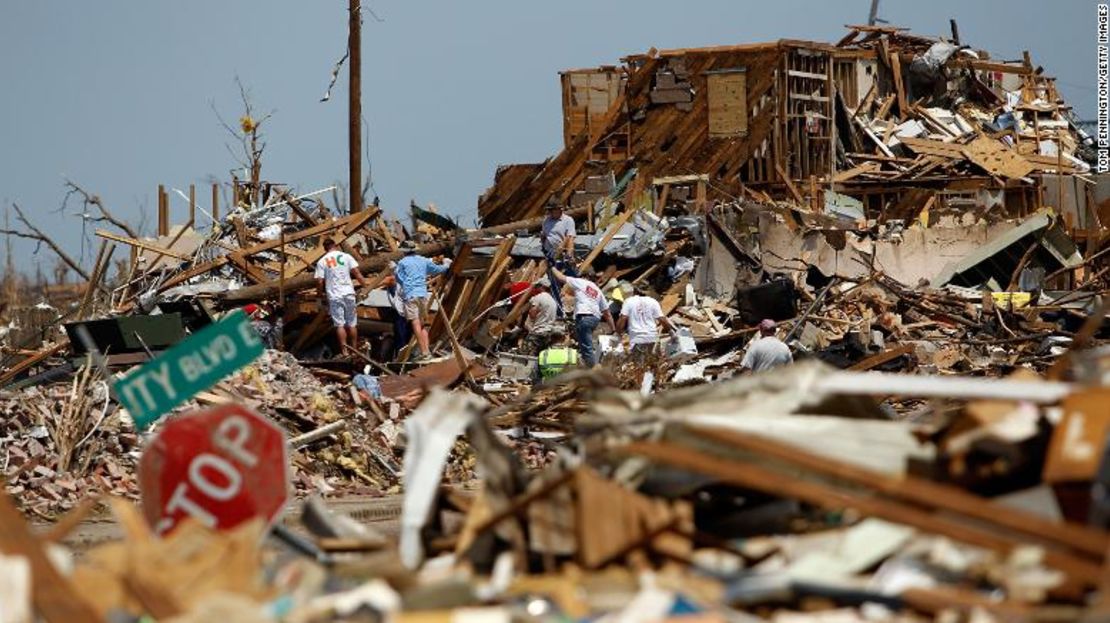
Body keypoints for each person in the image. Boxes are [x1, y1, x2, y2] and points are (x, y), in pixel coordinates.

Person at [393, 240, 451, 360]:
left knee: (415, 323)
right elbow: (438, 270)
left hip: (411, 295)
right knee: (423, 324)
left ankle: (424, 352)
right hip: (422, 294)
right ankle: (427, 351)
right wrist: (446, 264)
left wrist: (394, 270)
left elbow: (399, 280)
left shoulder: (402, 262)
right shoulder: (423, 260)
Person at [551, 266, 616, 367]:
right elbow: (607, 313)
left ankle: (592, 373)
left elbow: (561, 278)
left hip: (584, 317)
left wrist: (552, 267)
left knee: (587, 348)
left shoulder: (580, 282)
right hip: (594, 319)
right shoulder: (597, 290)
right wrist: (613, 329)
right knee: (584, 344)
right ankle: (585, 367)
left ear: (584, 276)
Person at [315, 238, 369, 357]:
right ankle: (354, 350)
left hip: (334, 295)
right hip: (349, 293)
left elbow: (319, 281)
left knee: (339, 324)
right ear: (335, 245)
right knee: (352, 323)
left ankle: (344, 351)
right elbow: (357, 273)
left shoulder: (322, 261)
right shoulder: (346, 257)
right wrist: (366, 287)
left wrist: (319, 295)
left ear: (325, 248)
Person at [617, 287, 676, 358]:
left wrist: (620, 334)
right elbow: (662, 319)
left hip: (637, 339)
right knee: (653, 363)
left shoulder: (629, 301)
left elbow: (623, 318)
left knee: (638, 366)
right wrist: (672, 333)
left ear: (634, 292)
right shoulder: (653, 301)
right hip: (652, 338)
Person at [541, 201, 577, 317]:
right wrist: (544, 248)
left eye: (552, 210)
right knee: (553, 282)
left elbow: (570, 237)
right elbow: (544, 235)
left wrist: (569, 253)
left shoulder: (568, 220)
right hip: (550, 254)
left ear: (559, 210)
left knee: (571, 279)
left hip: (563, 253)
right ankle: (559, 311)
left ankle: (574, 308)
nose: (550, 213)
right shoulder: (547, 221)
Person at [521, 277, 559, 354]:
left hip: (537, 332)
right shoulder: (553, 301)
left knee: (525, 355)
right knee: (539, 357)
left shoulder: (538, 298)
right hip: (548, 333)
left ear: (542, 287)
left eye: (537, 286)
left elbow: (532, 314)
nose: (536, 288)